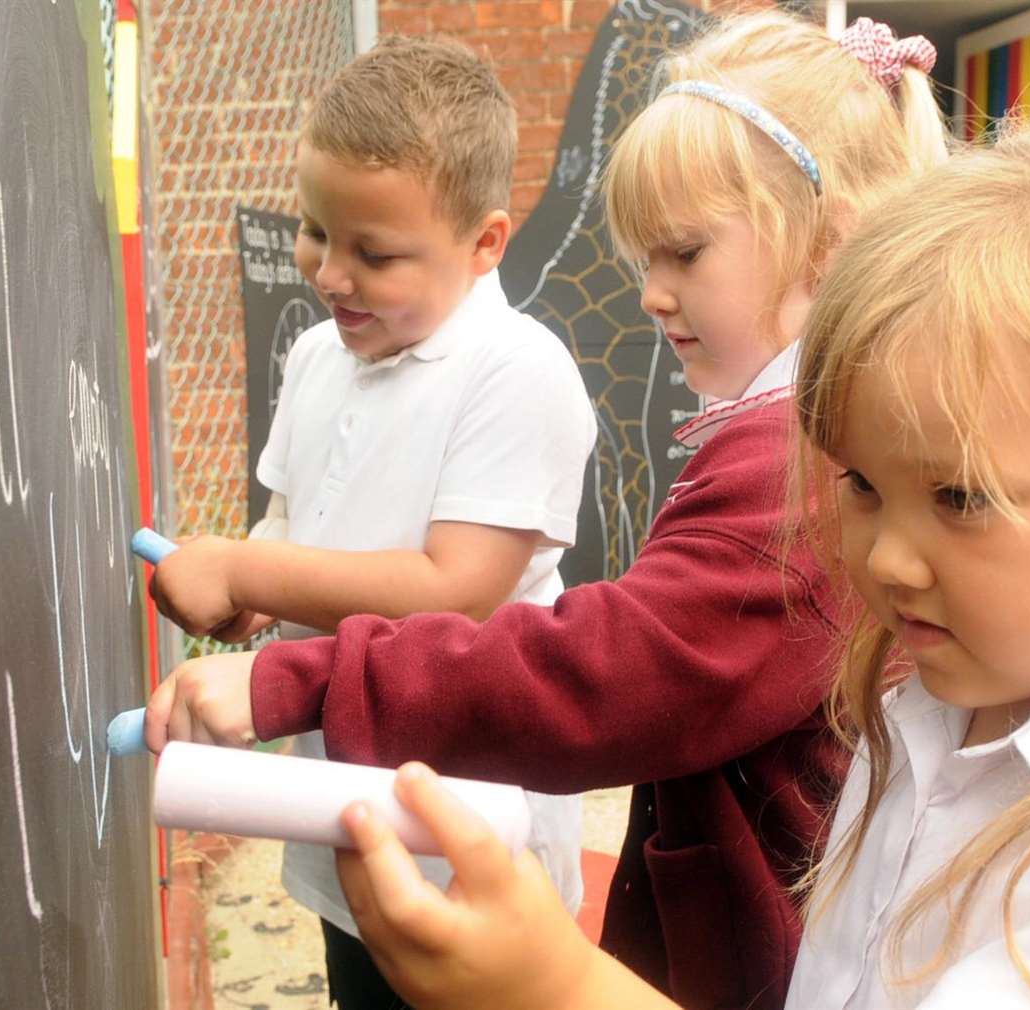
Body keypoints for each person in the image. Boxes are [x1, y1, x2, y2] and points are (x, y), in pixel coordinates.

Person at [328, 112, 1030, 1010]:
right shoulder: (943, 700)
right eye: (859, 483)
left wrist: (551, 987)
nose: (885, 557)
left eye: (959, 496)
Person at [146, 14, 947, 1010]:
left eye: (685, 252)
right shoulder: (799, 430)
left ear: (830, 238)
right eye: (644, 257)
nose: (652, 294)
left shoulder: (793, 460)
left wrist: (303, 672)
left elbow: (611, 670)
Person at [145, 35, 598, 1010]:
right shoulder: (317, 356)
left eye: (374, 252)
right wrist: (244, 590)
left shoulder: (515, 370)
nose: (330, 273)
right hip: (340, 804)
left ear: (485, 243)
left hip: (466, 834)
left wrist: (245, 571)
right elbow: (288, 517)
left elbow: (457, 586)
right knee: (359, 977)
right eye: (315, 230)